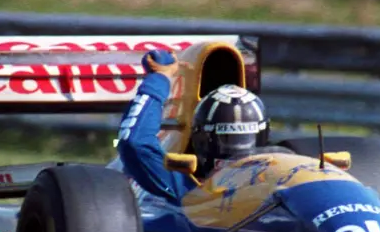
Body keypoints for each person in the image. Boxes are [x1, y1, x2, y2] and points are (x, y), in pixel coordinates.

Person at [116, 49, 270, 205]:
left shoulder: (190, 193)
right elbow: (135, 143)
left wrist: (160, 77)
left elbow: (135, 142)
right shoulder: (191, 193)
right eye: (228, 141)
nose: (234, 156)